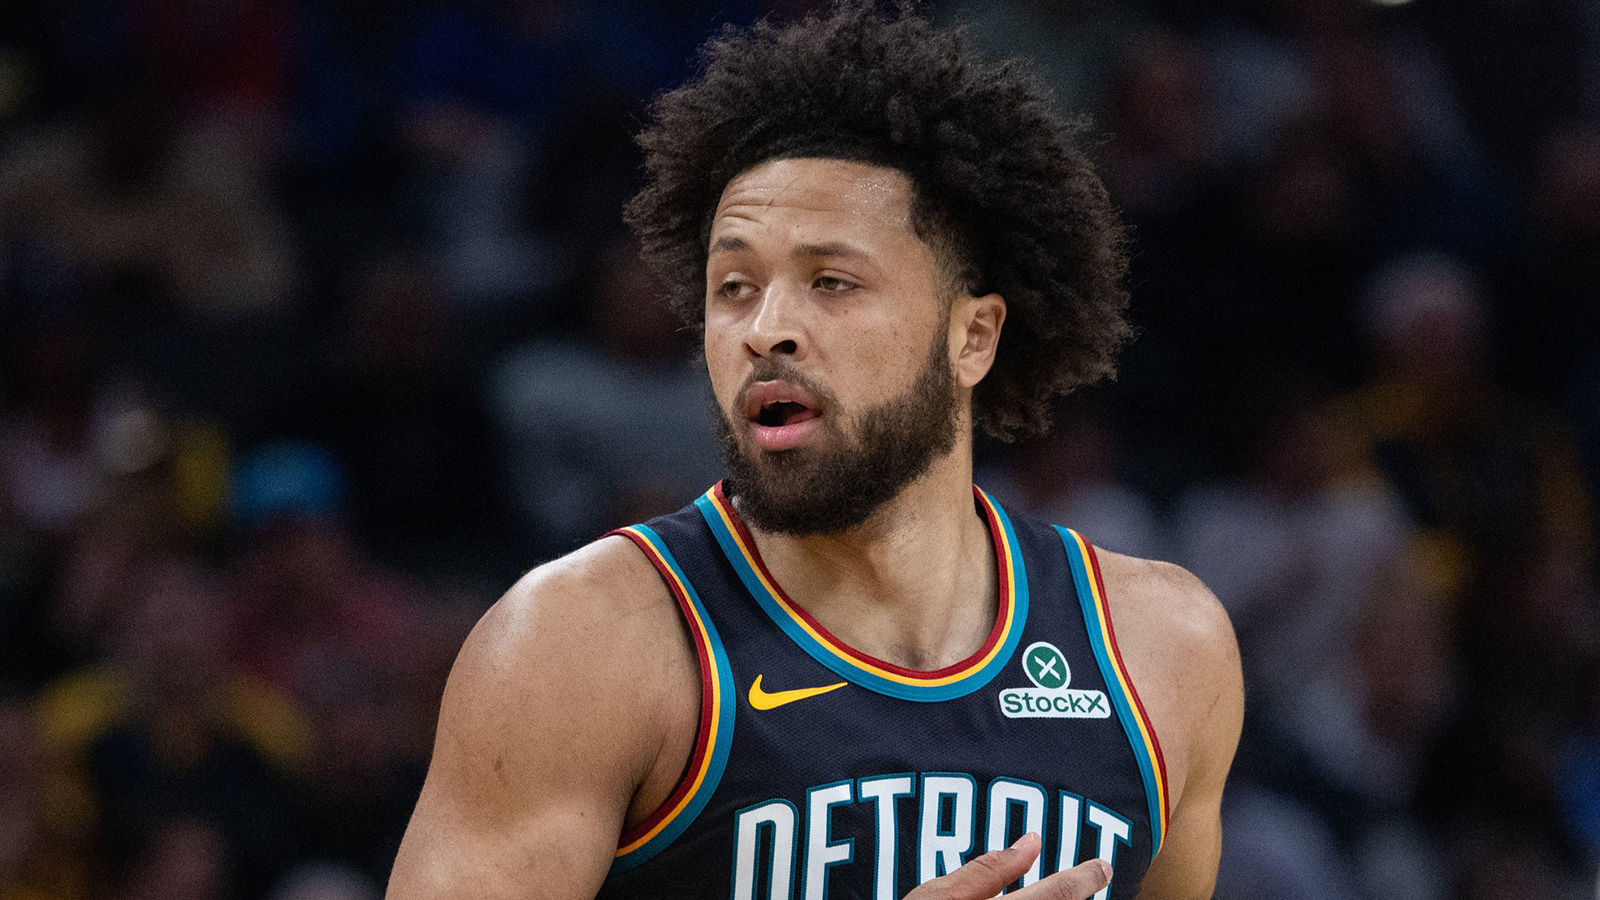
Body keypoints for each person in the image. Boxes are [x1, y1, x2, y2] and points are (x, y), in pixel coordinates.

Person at [386, 3, 1242, 899]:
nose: (765, 329)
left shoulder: (1161, 648)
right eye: (734, 286)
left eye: (831, 282)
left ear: (973, 337)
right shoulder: (584, 643)